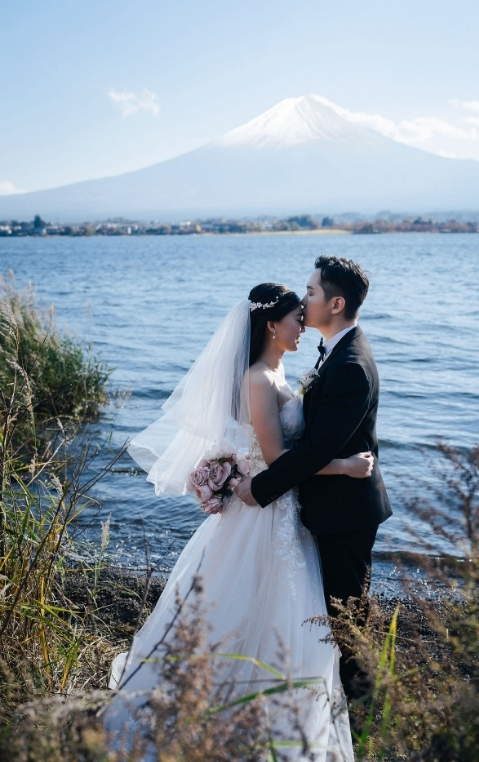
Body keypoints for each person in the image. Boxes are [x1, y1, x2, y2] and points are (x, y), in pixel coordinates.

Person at [109, 282, 370, 759]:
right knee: (251, 610)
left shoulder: (278, 368)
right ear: (272, 325)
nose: (302, 326)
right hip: (266, 516)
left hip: (285, 513)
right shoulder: (257, 378)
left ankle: (272, 724)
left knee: (279, 617)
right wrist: (347, 466)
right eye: (295, 319)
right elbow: (275, 458)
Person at [234, 256, 392, 713]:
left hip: (346, 512)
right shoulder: (333, 353)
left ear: (336, 303)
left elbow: (317, 448)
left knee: (346, 619)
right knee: (330, 614)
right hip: (327, 504)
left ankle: (358, 716)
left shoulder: (350, 365)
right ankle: (332, 707)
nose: (304, 303)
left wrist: (260, 488)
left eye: (312, 292)